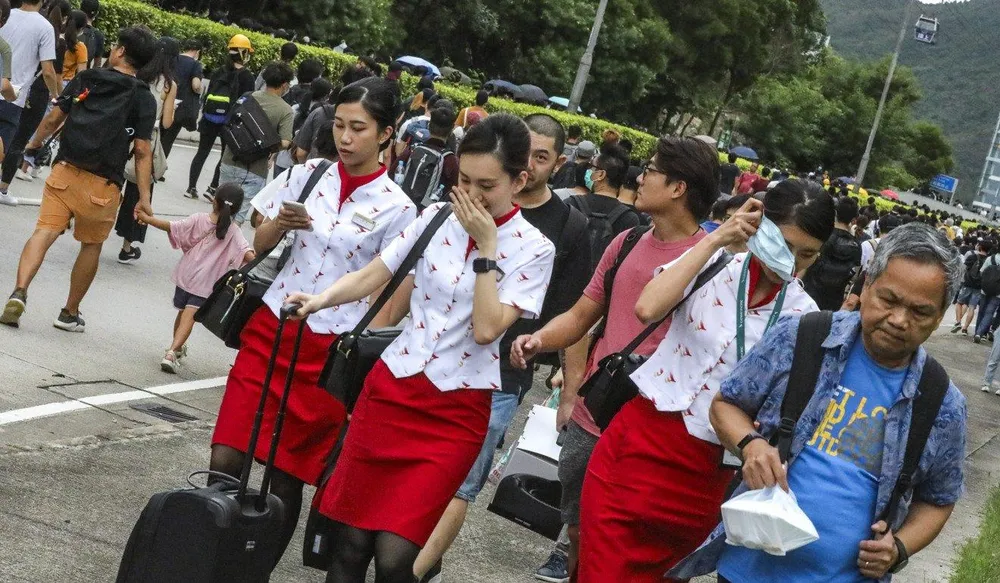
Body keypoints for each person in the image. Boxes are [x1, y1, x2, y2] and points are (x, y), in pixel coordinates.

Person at [286, 114, 554, 583]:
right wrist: (320, 299)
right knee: (349, 545)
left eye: (486, 185)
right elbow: (377, 272)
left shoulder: (535, 248)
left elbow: (487, 328)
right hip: (390, 392)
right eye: (464, 180)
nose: (471, 195)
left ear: (519, 180)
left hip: (455, 411)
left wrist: (487, 248)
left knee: (397, 559)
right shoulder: (435, 218)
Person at [671, 223, 967, 583]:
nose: (899, 320)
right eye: (888, 300)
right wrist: (751, 445)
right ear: (866, 285)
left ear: (940, 315)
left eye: (919, 312)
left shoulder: (941, 403)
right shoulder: (802, 337)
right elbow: (726, 404)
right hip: (747, 568)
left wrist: (899, 548)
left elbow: (938, 498)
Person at [575, 180, 832, 583]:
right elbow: (647, 308)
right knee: (599, 570)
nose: (793, 261)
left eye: (808, 254)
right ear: (759, 225)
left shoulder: (806, 318)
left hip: (708, 474)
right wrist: (718, 239)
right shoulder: (712, 265)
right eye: (784, 245)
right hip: (638, 444)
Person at [209, 76, 418, 567]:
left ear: (386, 133)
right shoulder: (308, 174)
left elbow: (386, 292)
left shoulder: (399, 207)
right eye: (339, 125)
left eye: (358, 128)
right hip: (272, 328)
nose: (345, 138)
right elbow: (258, 244)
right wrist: (279, 224)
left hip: (329, 352)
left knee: (284, 480)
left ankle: (254, 572)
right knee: (226, 459)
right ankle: (210, 564)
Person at [511, 136, 721, 581]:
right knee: (578, 534)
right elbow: (582, 315)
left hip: (653, 433)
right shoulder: (627, 241)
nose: (640, 177)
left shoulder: (714, 263)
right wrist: (539, 341)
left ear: (678, 188)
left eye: (652, 170)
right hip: (595, 414)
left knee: (629, 550)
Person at [413, 113, 592, 583]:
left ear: (557, 164)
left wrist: (570, 392)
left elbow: (576, 317)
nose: (527, 164)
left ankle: (412, 570)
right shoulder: (459, 204)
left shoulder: (567, 227)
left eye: (540, 157)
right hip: (428, 362)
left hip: (499, 375)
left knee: (460, 484)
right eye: (521, 152)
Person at [0, 25, 158, 330]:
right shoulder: (143, 97)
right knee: (91, 245)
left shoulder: (87, 79)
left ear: (121, 51)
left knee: (44, 232)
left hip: (65, 172)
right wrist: (144, 198)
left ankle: (19, 291)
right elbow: (141, 151)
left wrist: (33, 145)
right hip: (103, 186)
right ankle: (69, 313)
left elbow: (54, 118)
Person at [137, 183, 253, 373]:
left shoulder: (199, 219)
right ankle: (172, 352)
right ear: (238, 209)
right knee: (189, 316)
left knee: (183, 313)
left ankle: (176, 348)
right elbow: (247, 254)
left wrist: (147, 219)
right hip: (206, 284)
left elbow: (172, 227)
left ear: (214, 201)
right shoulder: (234, 232)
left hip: (186, 275)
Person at [114, 36, 177, 264]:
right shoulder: (169, 84)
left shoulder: (137, 73)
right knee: (139, 193)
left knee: (112, 182)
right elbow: (167, 122)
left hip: (122, 134)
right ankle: (127, 246)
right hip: (147, 139)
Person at [217, 61, 295, 225]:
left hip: (229, 160)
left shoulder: (247, 96)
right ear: (284, 85)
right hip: (255, 168)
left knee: (220, 210)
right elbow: (285, 142)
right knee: (237, 217)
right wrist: (267, 145)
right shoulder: (286, 110)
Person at [0, 0, 61, 204]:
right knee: (12, 143)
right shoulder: (45, 27)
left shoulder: (6, 14)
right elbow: (48, 70)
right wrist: (55, 94)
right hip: (13, 95)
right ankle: (3, 188)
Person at [186, 34, 255, 200]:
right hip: (230, 121)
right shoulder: (247, 76)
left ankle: (191, 187)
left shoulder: (219, 71)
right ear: (244, 53)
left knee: (202, 152)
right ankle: (212, 188)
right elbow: (247, 101)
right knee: (224, 156)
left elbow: (208, 93)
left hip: (210, 117)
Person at [565, 142, 643, 265]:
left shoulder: (571, 204)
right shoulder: (629, 219)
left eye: (592, 167)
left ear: (600, 174)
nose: (589, 171)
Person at [802, 195, 862, 310]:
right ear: (854, 220)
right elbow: (854, 276)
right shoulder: (856, 245)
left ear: (835, 213)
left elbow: (804, 264)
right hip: (834, 302)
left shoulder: (822, 235)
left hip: (808, 294)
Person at [396, 103, 459, 207]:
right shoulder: (450, 160)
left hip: (402, 204)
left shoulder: (412, 150)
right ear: (451, 130)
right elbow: (453, 193)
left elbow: (392, 174)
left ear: (429, 126)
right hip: (428, 210)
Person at [162, 38, 203, 161]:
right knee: (168, 140)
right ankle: (158, 166)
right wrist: (200, 89)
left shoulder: (174, 59)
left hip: (165, 101)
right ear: (197, 51)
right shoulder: (195, 64)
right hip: (180, 107)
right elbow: (195, 85)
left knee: (159, 135)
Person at [951, 240, 988, 336]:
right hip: (979, 287)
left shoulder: (972, 257)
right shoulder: (988, 260)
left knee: (959, 303)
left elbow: (963, 268)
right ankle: (965, 329)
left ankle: (958, 322)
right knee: (972, 307)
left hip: (967, 284)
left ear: (979, 246)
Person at [61, 10, 87, 85]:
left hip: (49, 80)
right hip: (66, 84)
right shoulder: (80, 47)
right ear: (82, 28)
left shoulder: (56, 38)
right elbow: (81, 74)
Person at [78, 0, 104, 69]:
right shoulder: (98, 35)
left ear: (80, 9)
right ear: (96, 13)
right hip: (84, 74)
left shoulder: (69, 26)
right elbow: (97, 64)